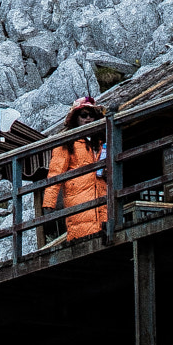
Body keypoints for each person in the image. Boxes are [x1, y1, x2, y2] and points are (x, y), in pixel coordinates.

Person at [44, 99, 107, 242]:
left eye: (92, 115)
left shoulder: (100, 142)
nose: (88, 119)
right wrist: (49, 202)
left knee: (104, 233)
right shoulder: (67, 142)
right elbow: (55, 171)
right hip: (78, 198)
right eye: (83, 115)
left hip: (101, 196)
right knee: (83, 235)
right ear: (76, 118)